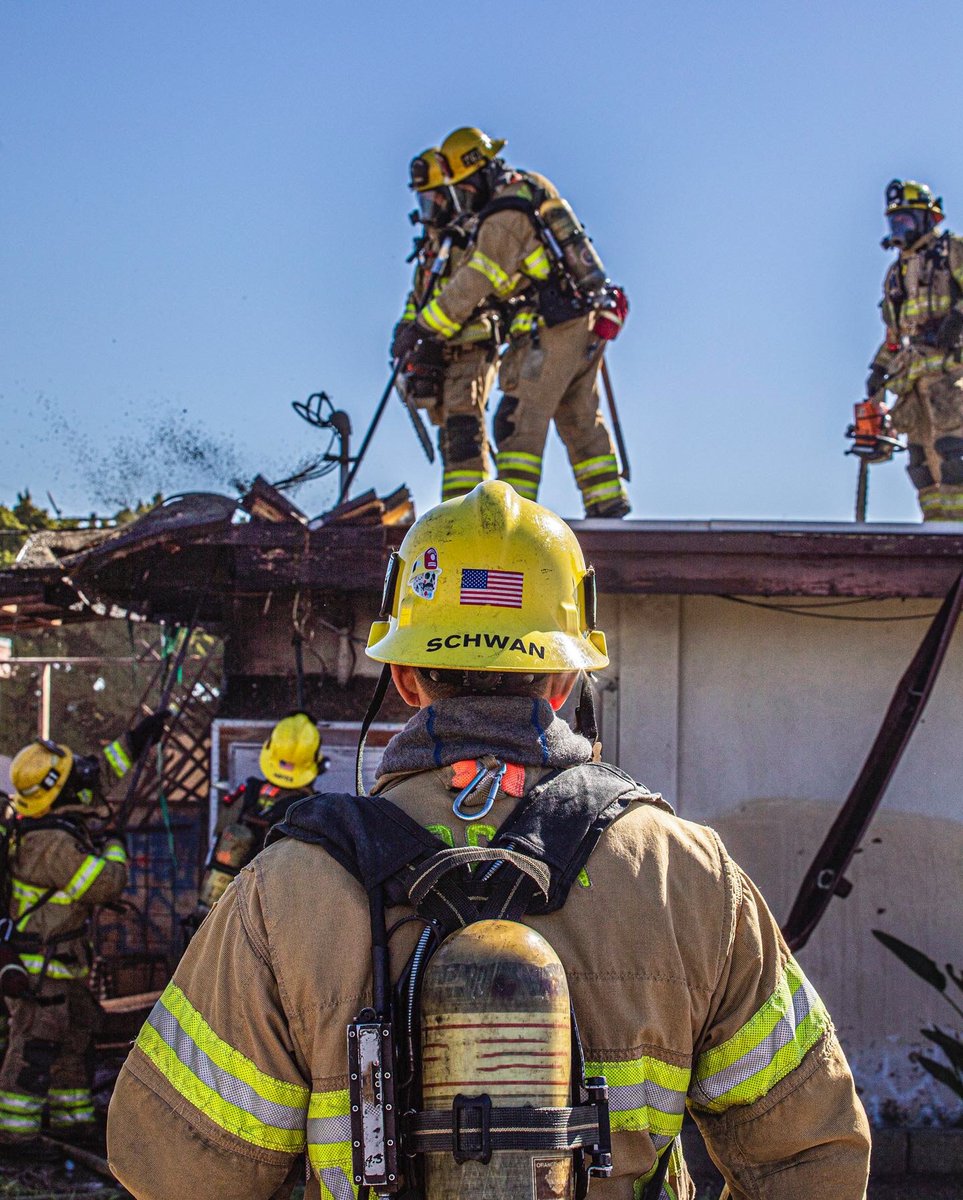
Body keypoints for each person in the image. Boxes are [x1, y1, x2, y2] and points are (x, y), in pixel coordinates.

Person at [107, 482, 869, 1200]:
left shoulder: (287, 887)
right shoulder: (685, 873)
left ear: (404, 676)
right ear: (566, 680)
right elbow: (812, 1152)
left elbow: (172, 1164)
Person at [393, 128, 631, 519]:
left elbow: (473, 283)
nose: (464, 200)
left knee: (516, 422)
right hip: (583, 317)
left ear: (482, 173)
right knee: (576, 414)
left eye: (465, 189)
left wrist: (422, 329)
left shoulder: (502, 218)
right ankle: (607, 503)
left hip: (553, 326)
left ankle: (512, 521)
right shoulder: (528, 191)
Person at [0, 713, 164, 1152]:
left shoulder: (50, 815)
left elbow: (98, 769)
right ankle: (15, 1136)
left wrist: (135, 740)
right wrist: (114, 845)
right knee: (34, 1047)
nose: (85, 779)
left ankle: (72, 1121)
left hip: (63, 966)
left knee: (74, 1041)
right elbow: (104, 883)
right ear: (59, 790)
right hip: (41, 972)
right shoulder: (50, 843)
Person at [390, 149, 500, 502]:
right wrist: (405, 330)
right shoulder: (433, 246)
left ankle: (472, 509)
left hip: (472, 344)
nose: (429, 207)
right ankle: (455, 507)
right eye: (424, 200)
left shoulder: (471, 236)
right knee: (451, 434)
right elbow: (418, 297)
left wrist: (423, 330)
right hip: (441, 349)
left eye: (435, 197)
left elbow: (468, 292)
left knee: (464, 428)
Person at [866, 179, 963, 520]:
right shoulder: (897, 274)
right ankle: (938, 532)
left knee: (956, 455)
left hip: (955, 375)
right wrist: (878, 370)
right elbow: (895, 334)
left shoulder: (953, 251)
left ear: (929, 219)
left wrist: (958, 319)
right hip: (914, 383)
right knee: (922, 465)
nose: (899, 229)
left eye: (907, 220)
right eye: (895, 222)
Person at [194, 711, 329, 917]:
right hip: (273, 918)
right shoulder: (312, 810)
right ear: (317, 764)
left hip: (220, 912)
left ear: (268, 750)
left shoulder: (245, 795)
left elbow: (218, 838)